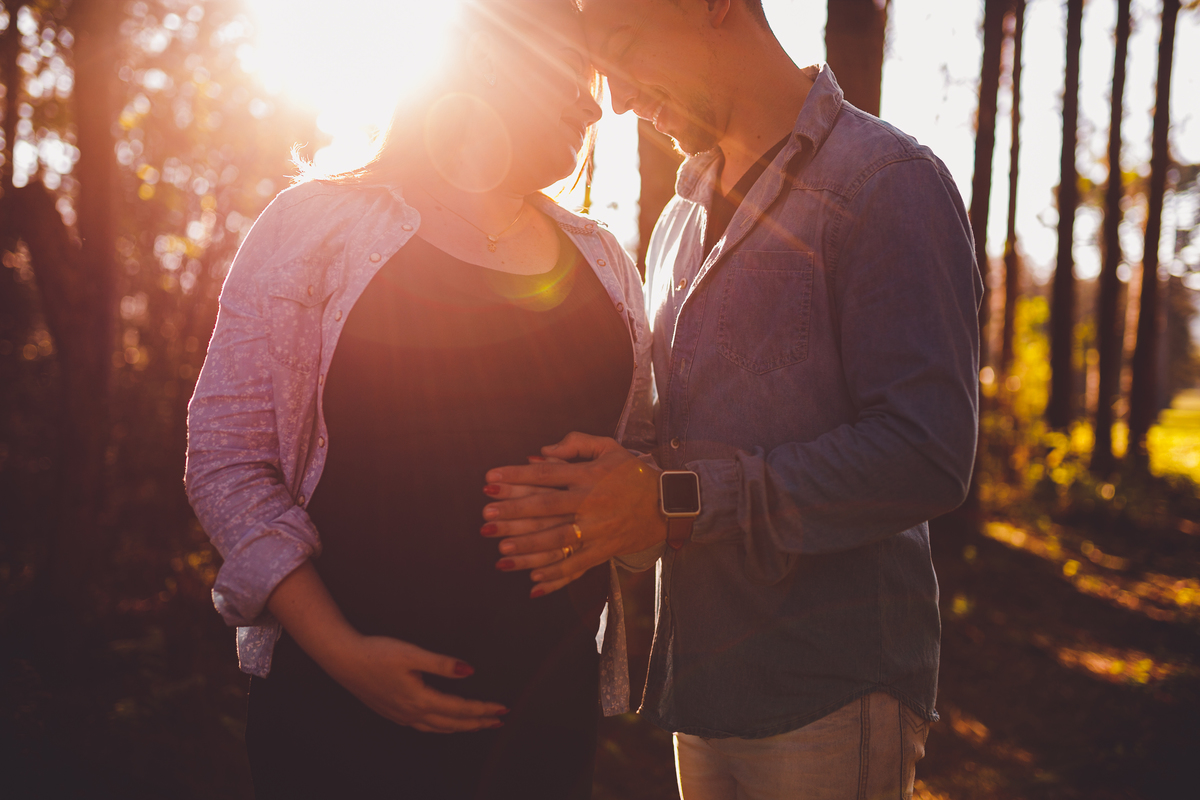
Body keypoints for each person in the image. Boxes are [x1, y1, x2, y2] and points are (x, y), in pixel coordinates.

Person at [480, 0, 982, 797]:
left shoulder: (887, 181)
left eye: (623, 47)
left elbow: (925, 454)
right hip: (702, 685)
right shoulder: (679, 221)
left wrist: (674, 501)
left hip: (829, 686)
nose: (617, 99)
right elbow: (674, 445)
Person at [184, 1, 653, 797]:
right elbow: (228, 460)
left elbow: (640, 460)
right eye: (574, 74)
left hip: (544, 722)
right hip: (341, 720)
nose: (595, 106)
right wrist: (344, 657)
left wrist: (627, 500)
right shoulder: (318, 226)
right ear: (491, 56)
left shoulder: (604, 260)